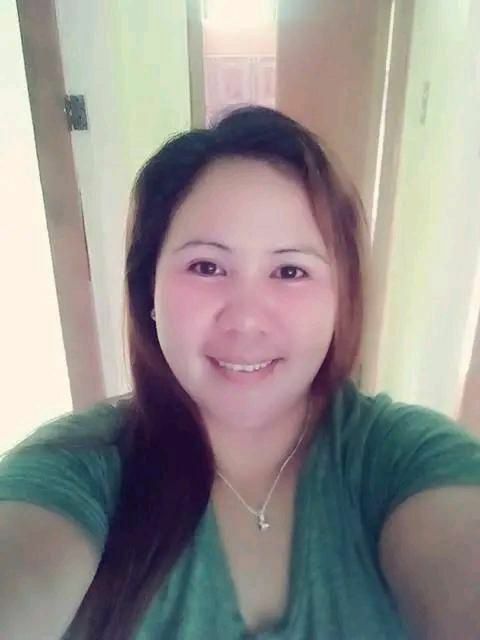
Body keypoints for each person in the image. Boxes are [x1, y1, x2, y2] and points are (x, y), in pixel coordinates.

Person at [1, 106, 479, 640]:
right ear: (147, 291)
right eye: (206, 266)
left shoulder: (406, 459)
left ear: (340, 299)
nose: (247, 319)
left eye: (290, 271)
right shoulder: (75, 471)